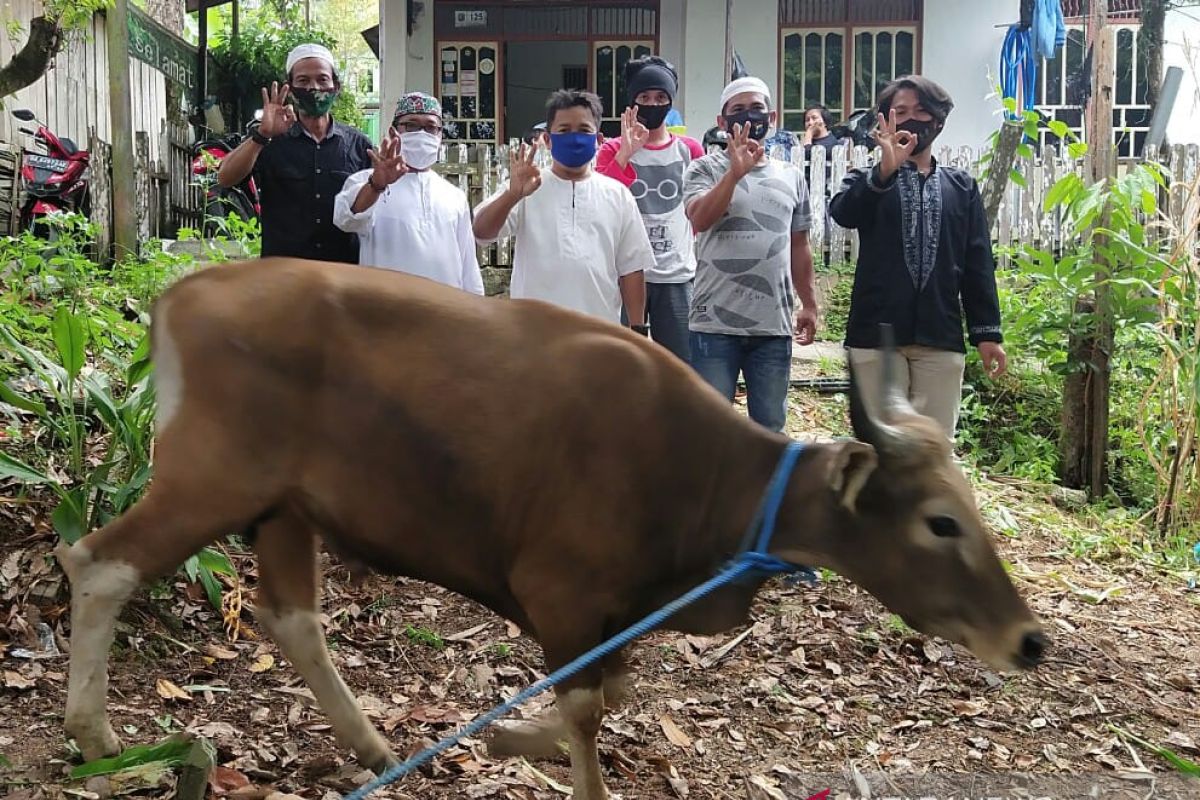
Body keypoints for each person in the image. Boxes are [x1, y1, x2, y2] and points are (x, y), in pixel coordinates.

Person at [830, 75, 1007, 441]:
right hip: (876, 337)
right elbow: (844, 213)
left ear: (939, 122)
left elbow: (977, 263)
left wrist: (987, 333)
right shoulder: (866, 179)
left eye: (921, 111)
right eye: (901, 112)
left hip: (939, 338)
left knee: (932, 451)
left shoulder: (961, 187)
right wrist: (885, 171)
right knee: (876, 451)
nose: (912, 120)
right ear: (884, 121)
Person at [683, 77, 819, 433]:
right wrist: (734, 173)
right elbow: (699, 218)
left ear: (771, 116)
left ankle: (766, 491)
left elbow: (799, 244)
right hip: (713, 324)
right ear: (722, 121)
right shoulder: (703, 169)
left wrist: (809, 303)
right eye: (738, 110)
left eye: (757, 109)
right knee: (711, 429)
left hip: (771, 325)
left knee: (770, 428)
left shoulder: (791, 176)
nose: (749, 117)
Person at [473, 90, 650, 330]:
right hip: (533, 335)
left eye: (584, 131)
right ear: (547, 139)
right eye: (564, 130)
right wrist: (512, 196)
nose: (575, 138)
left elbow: (631, 269)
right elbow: (481, 232)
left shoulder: (618, 196)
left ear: (598, 140)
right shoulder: (526, 187)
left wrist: (638, 329)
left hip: (598, 334)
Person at [217, 43, 373, 263]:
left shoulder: (359, 145)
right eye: (303, 81)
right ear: (289, 88)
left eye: (322, 79)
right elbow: (225, 177)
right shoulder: (270, 140)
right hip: (284, 278)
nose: (313, 88)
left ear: (335, 86)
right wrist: (261, 135)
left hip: (342, 276)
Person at [596, 56, 703, 362]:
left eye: (661, 97)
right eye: (644, 97)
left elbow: (697, 208)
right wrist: (625, 156)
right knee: (621, 363)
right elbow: (600, 204)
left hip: (676, 275)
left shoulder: (690, 150)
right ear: (632, 102)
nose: (652, 104)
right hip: (625, 274)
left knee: (681, 365)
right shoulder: (612, 149)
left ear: (671, 102)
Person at [333, 92, 483, 294]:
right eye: (411, 125)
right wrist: (376, 186)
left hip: (444, 314)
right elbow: (345, 219)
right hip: (387, 312)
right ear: (394, 131)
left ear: (440, 135)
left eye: (431, 127)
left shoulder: (454, 196)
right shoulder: (366, 181)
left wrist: (475, 307)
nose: (422, 133)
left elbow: (467, 266)